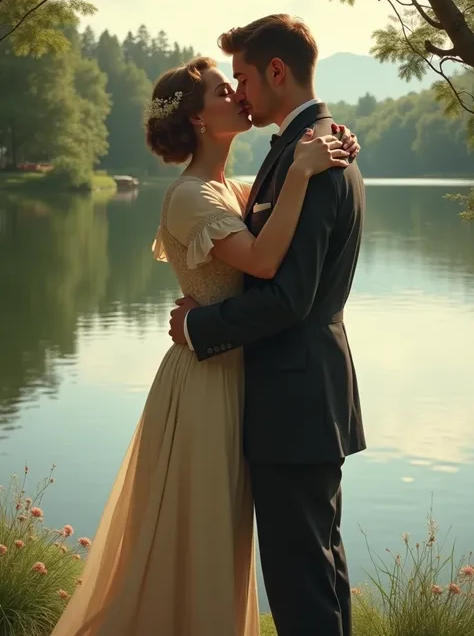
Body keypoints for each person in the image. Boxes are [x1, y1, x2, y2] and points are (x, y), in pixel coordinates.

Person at [48, 52, 360, 636]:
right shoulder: (191, 196)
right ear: (196, 119)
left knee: (229, 540)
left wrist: (325, 145)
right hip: (205, 384)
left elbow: (279, 214)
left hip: (245, 377)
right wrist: (298, 171)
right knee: (198, 533)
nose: (238, 96)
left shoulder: (235, 190)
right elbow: (265, 262)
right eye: (224, 90)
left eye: (237, 84)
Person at [169, 15, 366, 636]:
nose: (242, 93)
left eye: (244, 78)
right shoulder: (305, 148)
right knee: (319, 570)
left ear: (276, 71)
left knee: (299, 582)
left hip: (295, 399)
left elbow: (288, 299)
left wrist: (202, 327)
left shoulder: (314, 156)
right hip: (306, 395)